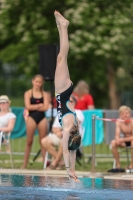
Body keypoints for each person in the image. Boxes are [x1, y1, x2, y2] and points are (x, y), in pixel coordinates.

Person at [54, 10, 82, 182]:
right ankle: (63, 27)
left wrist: (73, 170)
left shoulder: (75, 127)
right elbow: (66, 151)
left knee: (62, 58)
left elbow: (73, 151)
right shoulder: (67, 129)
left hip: (66, 91)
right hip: (62, 91)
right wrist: (67, 170)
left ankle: (60, 27)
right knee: (61, 57)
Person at [44, 95, 84, 170]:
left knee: (64, 140)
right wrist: (57, 132)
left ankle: (55, 163)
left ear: (75, 103)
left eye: (71, 101)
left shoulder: (78, 112)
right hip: (61, 135)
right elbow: (54, 128)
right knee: (44, 141)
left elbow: (76, 123)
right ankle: (61, 161)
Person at [21, 74, 49, 168]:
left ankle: (45, 164)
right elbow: (28, 106)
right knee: (29, 141)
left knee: (43, 141)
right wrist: (39, 105)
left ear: (42, 83)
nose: (38, 84)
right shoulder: (28, 93)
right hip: (32, 117)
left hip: (42, 118)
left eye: (40, 82)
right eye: (36, 82)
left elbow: (46, 107)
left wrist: (36, 107)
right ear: (33, 81)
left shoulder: (45, 94)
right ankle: (24, 163)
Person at [108, 106, 133, 172]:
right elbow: (117, 134)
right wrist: (118, 139)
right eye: (123, 113)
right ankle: (118, 165)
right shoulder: (119, 121)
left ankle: (131, 166)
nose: (125, 115)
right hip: (125, 141)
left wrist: (123, 140)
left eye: (126, 113)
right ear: (120, 115)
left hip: (130, 140)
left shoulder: (132, 121)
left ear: (130, 114)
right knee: (113, 142)